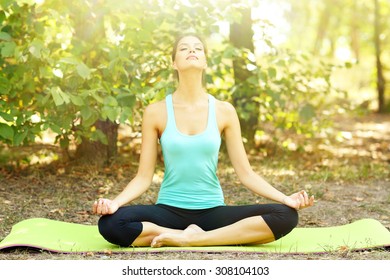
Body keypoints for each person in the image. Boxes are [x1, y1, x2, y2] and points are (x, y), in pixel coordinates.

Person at [92, 34, 314, 248]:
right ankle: (196, 236)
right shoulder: (156, 112)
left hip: (212, 211)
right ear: (174, 63)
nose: (192, 50)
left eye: (198, 48)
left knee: (285, 215)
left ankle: (192, 239)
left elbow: (246, 174)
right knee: (111, 224)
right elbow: (143, 177)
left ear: (205, 61)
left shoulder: (224, 111)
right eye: (184, 48)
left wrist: (286, 199)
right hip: (168, 210)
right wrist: (115, 203)